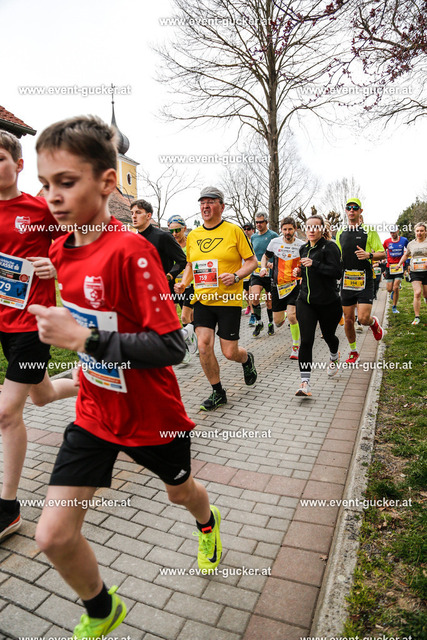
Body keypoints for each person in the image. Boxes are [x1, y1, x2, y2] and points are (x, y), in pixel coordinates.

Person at [31, 116, 222, 639]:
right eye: (45, 184)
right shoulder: (59, 250)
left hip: (152, 416)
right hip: (95, 412)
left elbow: (172, 346)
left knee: (181, 494)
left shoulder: (133, 251)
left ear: (107, 182)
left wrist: (85, 339)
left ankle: (208, 524)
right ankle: (101, 609)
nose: (52, 196)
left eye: (66, 182)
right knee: (52, 536)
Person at [0, 131, 78, 542]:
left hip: (33, 323)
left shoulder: (39, 208)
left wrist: (53, 264)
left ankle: (8, 508)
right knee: (42, 396)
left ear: (18, 165)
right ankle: (88, 384)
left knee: (6, 412)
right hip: (2, 322)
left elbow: (75, 246)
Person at [175, 187, 258, 411]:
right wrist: (184, 283)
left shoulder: (234, 231)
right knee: (203, 347)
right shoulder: (194, 235)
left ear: (222, 206)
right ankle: (218, 392)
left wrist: (236, 275)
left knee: (230, 352)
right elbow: (190, 264)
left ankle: (246, 359)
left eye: (211, 202)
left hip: (228, 300)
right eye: (202, 202)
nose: (205, 206)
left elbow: (252, 261)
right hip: (203, 300)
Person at [292, 215, 343, 396]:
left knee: (329, 336)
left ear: (322, 229)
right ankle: (305, 383)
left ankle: (334, 355)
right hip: (306, 301)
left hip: (328, 303)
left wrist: (315, 264)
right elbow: (306, 272)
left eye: (316, 227)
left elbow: (337, 272)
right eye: (308, 227)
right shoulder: (303, 248)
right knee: (306, 341)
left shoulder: (330, 247)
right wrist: (299, 271)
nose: (311, 230)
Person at [335, 198, 385, 364]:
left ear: (360, 211)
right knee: (348, 319)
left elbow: (382, 253)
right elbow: (338, 256)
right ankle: (353, 351)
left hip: (365, 279)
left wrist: (369, 255)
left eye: (355, 208)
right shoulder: (341, 232)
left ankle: (373, 322)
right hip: (347, 281)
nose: (351, 210)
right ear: (346, 210)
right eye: (348, 208)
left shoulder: (369, 231)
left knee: (363, 319)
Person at [260, 217, 305, 358]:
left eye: (290, 229)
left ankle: (296, 346)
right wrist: (263, 268)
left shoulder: (302, 245)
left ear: (295, 229)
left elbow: (305, 264)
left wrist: (302, 273)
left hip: (294, 285)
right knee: (277, 322)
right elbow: (265, 257)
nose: (287, 232)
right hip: (278, 286)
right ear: (281, 230)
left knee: (293, 316)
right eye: (285, 229)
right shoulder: (275, 243)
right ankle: (283, 315)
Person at [167, 214, 198, 362]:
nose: (174, 234)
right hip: (174, 286)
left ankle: (187, 346)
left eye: (177, 230)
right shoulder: (169, 244)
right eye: (171, 231)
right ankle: (192, 339)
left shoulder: (191, 242)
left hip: (190, 285)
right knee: (175, 318)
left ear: (184, 228)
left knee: (185, 316)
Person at [250, 213, 278, 337]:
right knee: (254, 297)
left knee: (269, 302)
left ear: (266, 222)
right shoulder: (253, 237)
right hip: (256, 273)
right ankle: (259, 322)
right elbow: (252, 254)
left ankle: (271, 323)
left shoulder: (273, 235)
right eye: (256, 222)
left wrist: (273, 263)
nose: (258, 224)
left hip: (270, 274)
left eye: (261, 222)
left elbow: (279, 252)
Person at [397, 221, 427, 325]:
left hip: (426, 271)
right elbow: (406, 255)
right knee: (417, 293)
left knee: (426, 294)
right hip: (415, 271)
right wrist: (399, 264)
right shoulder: (411, 244)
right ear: (415, 232)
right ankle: (417, 317)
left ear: (425, 232)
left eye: (421, 231)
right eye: (417, 231)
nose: (419, 233)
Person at [383, 225, 408, 314]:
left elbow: (409, 250)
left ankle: (394, 307)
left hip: (400, 265)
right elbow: (382, 251)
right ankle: (393, 291)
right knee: (389, 289)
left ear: (397, 231)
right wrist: (383, 258)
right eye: (391, 232)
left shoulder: (404, 240)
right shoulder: (387, 241)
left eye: (394, 232)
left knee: (396, 287)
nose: (392, 234)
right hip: (390, 266)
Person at [242, 223, 255, 322]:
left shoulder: (254, 241)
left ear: (252, 230)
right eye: (244, 229)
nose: (246, 231)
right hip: (244, 270)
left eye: (248, 229)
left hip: (253, 271)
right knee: (246, 293)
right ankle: (249, 306)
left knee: (251, 293)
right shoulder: (241, 241)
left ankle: (253, 316)